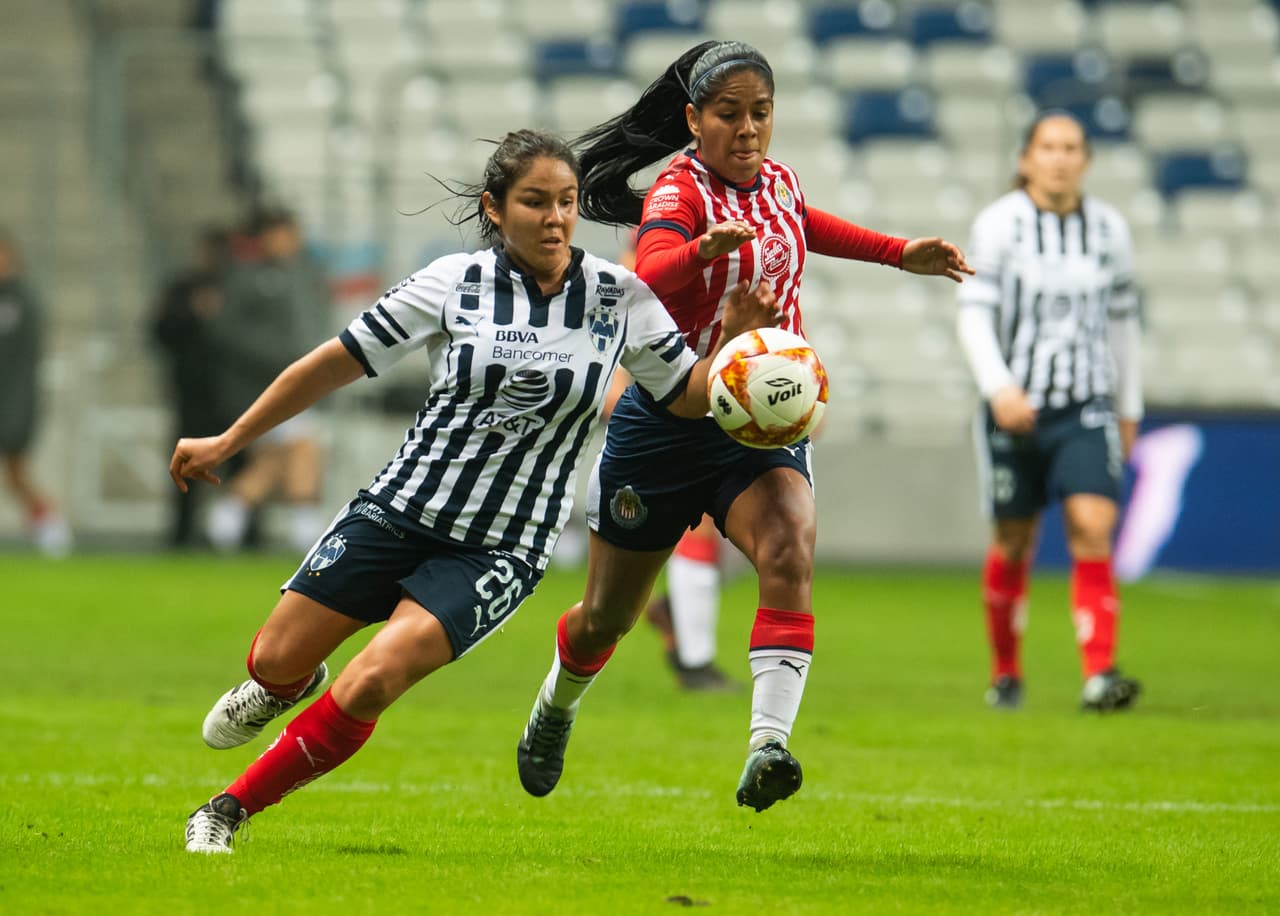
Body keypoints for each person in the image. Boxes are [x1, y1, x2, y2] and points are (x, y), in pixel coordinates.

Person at [173, 128, 781, 854]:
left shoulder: (618, 297)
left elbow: (686, 394)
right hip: (400, 510)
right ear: (495, 208)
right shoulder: (452, 283)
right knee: (274, 659)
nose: (555, 218)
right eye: (535, 202)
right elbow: (332, 364)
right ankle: (285, 684)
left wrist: (735, 344)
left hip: (502, 547)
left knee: (374, 679)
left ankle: (226, 810)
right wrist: (228, 440)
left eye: (567, 202)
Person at [514, 40, 973, 813]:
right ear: (695, 119)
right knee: (605, 620)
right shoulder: (679, 191)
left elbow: (803, 221)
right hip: (666, 422)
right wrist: (699, 252)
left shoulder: (779, 181)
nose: (748, 128)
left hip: (759, 418)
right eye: (729, 114)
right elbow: (647, 271)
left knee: (790, 547)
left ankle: (769, 745)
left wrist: (899, 253)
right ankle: (556, 706)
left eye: (761, 112)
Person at [955, 111, 1143, 713]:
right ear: (1026, 159)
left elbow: (1124, 324)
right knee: (1014, 540)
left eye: (1071, 148)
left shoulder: (1109, 230)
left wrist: (1129, 407)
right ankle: (1006, 673)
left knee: (1093, 525)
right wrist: (999, 388)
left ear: (1085, 159)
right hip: (1014, 407)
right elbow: (973, 313)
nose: (1060, 158)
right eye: (1048, 147)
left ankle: (1099, 673)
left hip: (1085, 404)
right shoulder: (999, 225)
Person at [203, 208, 332, 553]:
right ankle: (307, 532)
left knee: (275, 460)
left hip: (304, 385)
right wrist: (278, 357)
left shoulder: (307, 275)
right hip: (261, 387)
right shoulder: (247, 277)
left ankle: (227, 518)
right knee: (304, 447)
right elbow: (226, 331)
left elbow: (316, 327)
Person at [151, 225, 232, 548]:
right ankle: (182, 533)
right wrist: (191, 312)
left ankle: (241, 532)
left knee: (241, 463)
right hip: (192, 392)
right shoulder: (182, 288)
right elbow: (159, 331)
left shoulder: (240, 288)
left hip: (235, 392)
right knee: (186, 462)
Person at [0, 231, 72, 556]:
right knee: (15, 475)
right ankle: (48, 526)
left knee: (16, 473)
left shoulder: (22, 301)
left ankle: (50, 525)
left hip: (13, 401)